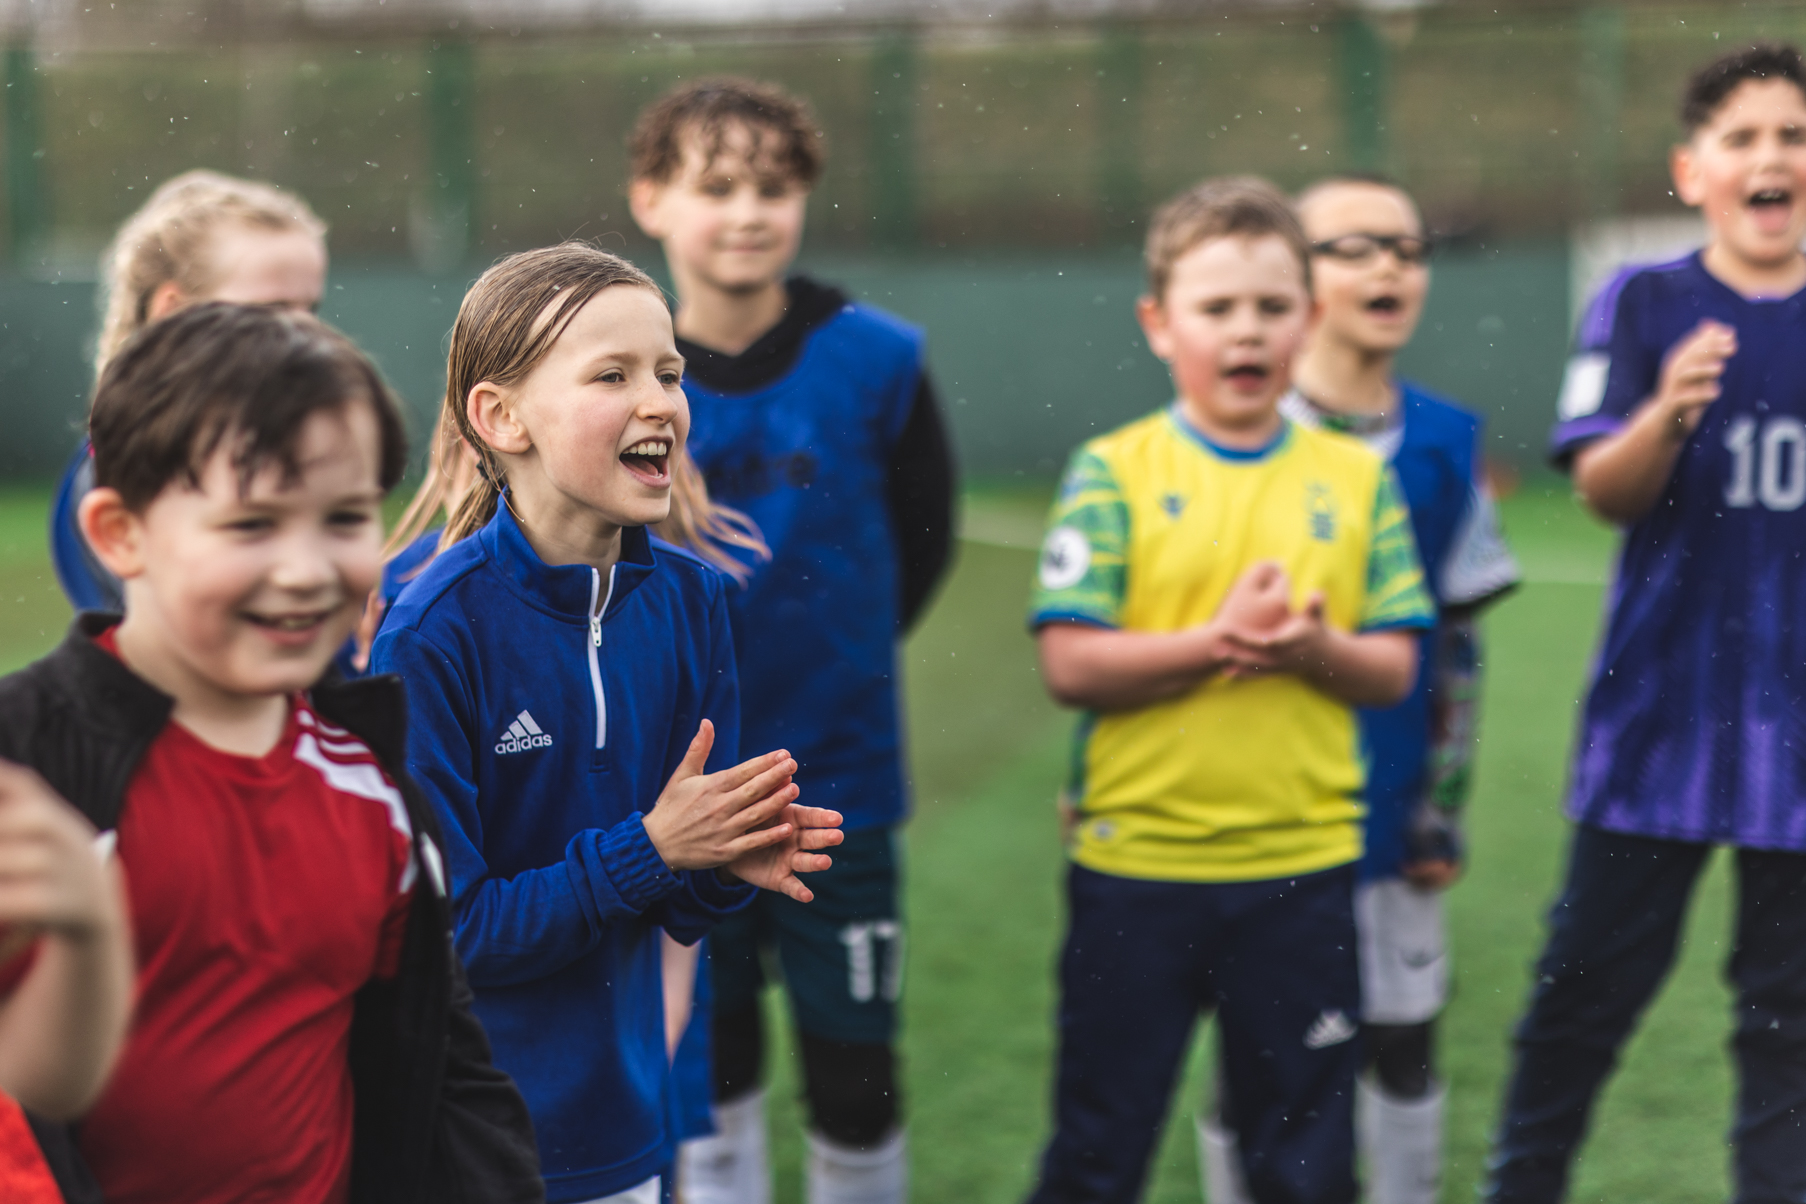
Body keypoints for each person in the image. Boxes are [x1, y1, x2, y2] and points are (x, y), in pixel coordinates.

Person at [2, 301, 544, 1202]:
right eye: (252, 525)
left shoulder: (369, 783)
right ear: (118, 535)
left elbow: (443, 1067)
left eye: (342, 518)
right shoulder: (29, 771)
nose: (304, 569)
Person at [370, 243, 844, 1204]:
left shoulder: (696, 604)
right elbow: (448, 936)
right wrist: (652, 849)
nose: (663, 401)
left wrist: (719, 866)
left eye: (670, 373)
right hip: (465, 1142)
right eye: (613, 375)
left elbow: (677, 899)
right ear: (501, 419)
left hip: (626, 1132)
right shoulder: (429, 635)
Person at [1024, 176, 1435, 1204]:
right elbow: (1071, 663)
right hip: (1136, 875)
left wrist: (1306, 648)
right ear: (1161, 324)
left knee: (1303, 1161)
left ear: (1308, 314)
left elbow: (1393, 668)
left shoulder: (1355, 479)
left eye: (1270, 305)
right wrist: (1218, 643)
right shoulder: (1111, 470)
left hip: (1303, 874)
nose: (1246, 331)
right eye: (1217, 308)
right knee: (1097, 1149)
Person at [627, 77, 956, 1204]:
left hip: (838, 781)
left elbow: (923, 546)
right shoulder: (614, 376)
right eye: (715, 186)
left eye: (774, 186)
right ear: (651, 201)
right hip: (673, 793)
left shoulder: (878, 359)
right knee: (704, 1071)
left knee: (855, 1076)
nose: (748, 211)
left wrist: (835, 655)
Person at [1487, 42, 1806, 1204]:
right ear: (1692, 170)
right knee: (1579, 1002)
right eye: (1743, 136)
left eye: (1795, 135)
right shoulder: (1644, 302)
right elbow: (1603, 493)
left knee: (1789, 1037)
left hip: (1802, 749)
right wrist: (1666, 414)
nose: (1772, 156)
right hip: (1660, 726)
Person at [1196, 174, 1521, 1204]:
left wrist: (1441, 801)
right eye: (1355, 247)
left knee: (1399, 1040)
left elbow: (1458, 650)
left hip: (1384, 808)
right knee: (1254, 1047)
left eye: (1408, 247)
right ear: (1293, 280)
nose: (1389, 265)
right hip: (1251, 811)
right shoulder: (1228, 431)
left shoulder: (1444, 441)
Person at [49, 170, 329, 615]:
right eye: (270, 309)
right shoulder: (131, 466)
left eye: (310, 308)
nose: (306, 333)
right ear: (173, 312)